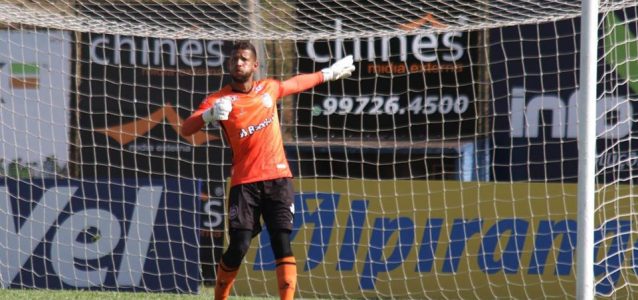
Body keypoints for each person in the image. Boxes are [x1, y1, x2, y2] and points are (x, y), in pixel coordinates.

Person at [181, 41, 355, 300]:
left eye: (243, 59)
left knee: (281, 242)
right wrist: (208, 116)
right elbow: (186, 129)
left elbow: (295, 84)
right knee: (238, 246)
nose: (238, 63)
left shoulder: (268, 88)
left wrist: (327, 73)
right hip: (244, 183)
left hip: (278, 179)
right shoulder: (218, 99)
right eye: (234, 59)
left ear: (254, 65)